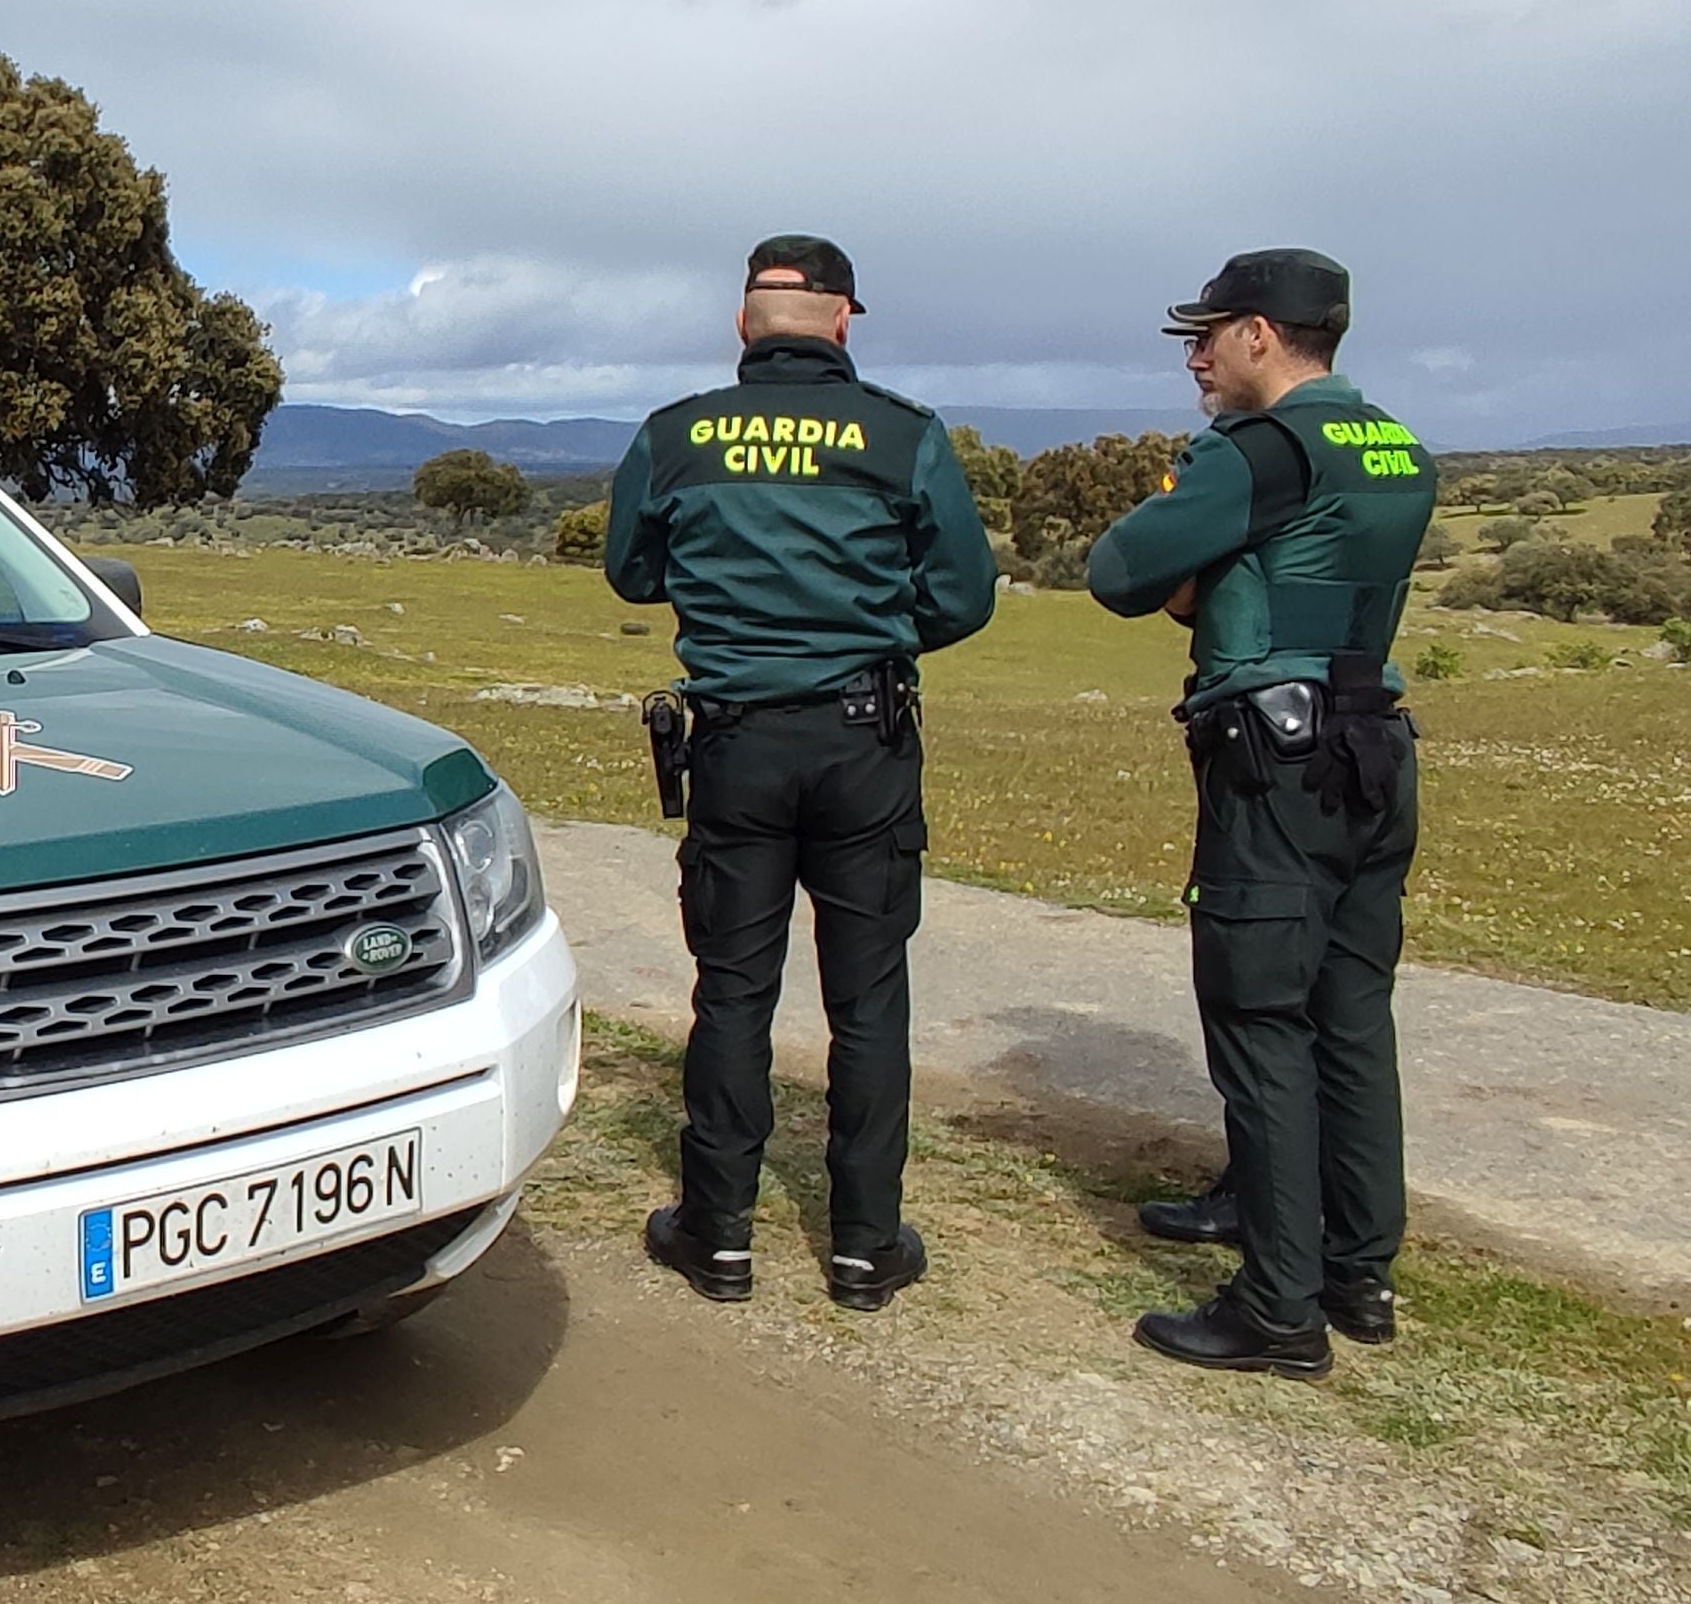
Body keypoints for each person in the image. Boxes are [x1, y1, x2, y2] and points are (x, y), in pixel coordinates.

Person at [603, 235, 997, 1311]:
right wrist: (864, 630)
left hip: (733, 741)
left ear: (742, 323)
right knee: (868, 999)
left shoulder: (675, 434)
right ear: (843, 320)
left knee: (733, 990)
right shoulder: (902, 436)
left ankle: (717, 1233)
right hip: (863, 741)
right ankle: (866, 1245)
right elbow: (963, 597)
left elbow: (631, 571)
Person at [1085, 248, 1435, 1378]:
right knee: (1348, 1011)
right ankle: (1354, 1268)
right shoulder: (1397, 446)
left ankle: (1278, 1310)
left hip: (1272, 762)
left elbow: (1121, 570)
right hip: (1371, 742)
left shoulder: (1255, 453)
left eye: (1209, 333)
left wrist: (1201, 566)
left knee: (1258, 1018)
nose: (1194, 355)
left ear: (1262, 337)